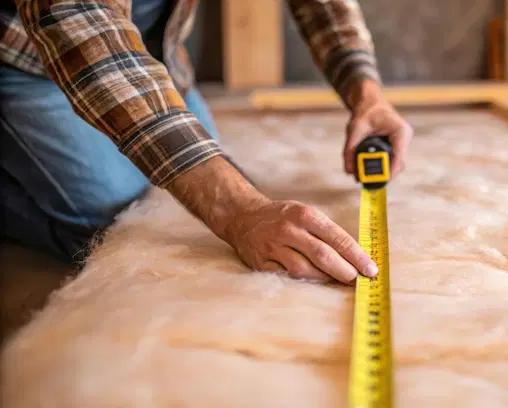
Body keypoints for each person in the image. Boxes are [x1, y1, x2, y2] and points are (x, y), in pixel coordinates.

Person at [0, 0, 413, 285]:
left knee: (191, 189)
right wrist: (238, 211)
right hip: (29, 54)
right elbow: (77, 19)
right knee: (122, 221)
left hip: (149, 51)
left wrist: (366, 93)